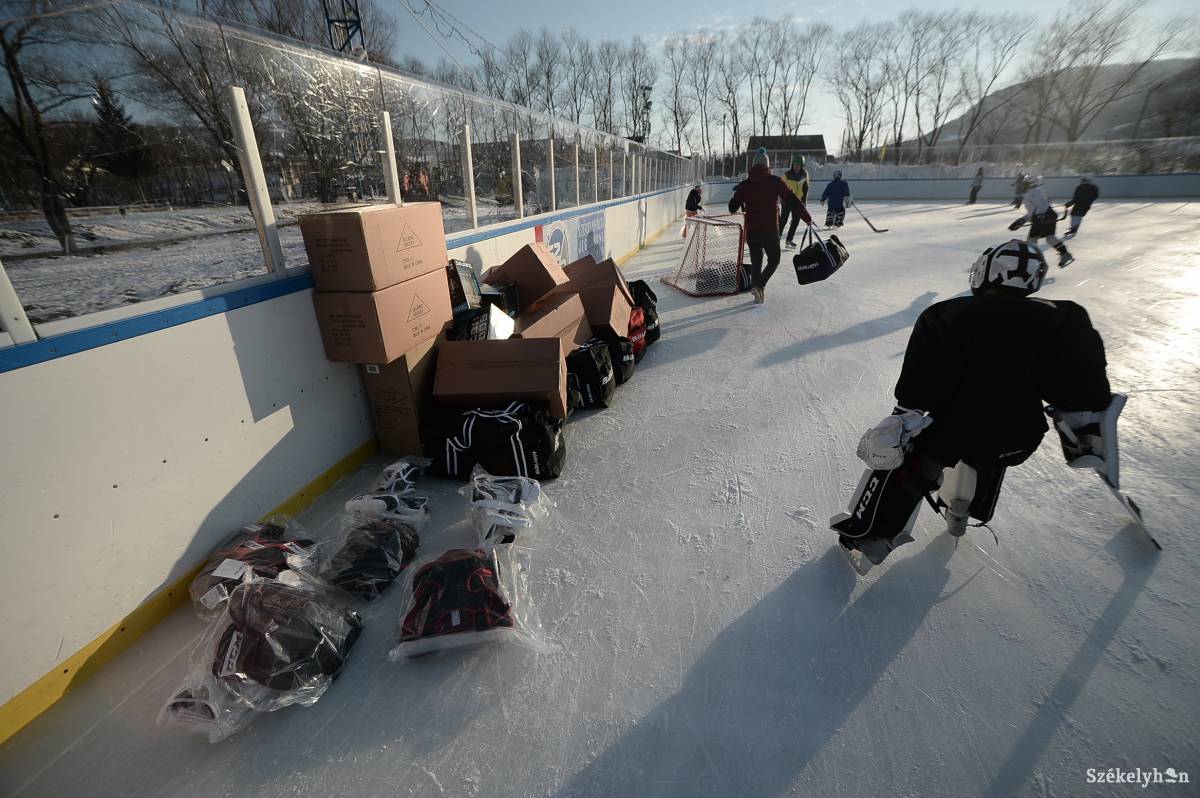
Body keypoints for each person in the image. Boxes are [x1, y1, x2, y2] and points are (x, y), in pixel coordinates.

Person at [830, 239, 1117, 573]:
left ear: (984, 272)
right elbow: (1086, 393)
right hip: (1019, 439)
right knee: (994, 443)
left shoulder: (946, 314)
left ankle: (870, 538)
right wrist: (1084, 434)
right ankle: (964, 510)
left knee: (912, 462)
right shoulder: (1067, 317)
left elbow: (916, 394)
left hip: (952, 433)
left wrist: (904, 420)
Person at [727, 147, 811, 305]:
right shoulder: (776, 182)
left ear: (752, 166)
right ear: (767, 166)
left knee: (757, 262)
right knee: (774, 259)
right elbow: (793, 200)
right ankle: (759, 286)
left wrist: (739, 192)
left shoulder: (745, 184)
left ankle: (757, 289)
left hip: (752, 231)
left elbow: (732, 207)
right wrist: (806, 217)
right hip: (770, 230)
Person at [1008, 175, 1074, 268]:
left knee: (1036, 240)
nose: (1023, 186)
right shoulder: (1030, 193)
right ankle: (1063, 254)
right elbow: (1032, 212)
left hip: (1046, 216)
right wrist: (1020, 221)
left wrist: (1039, 216)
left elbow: (1042, 205)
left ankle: (1033, 262)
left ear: (1031, 184)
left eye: (1025, 184)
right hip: (1044, 216)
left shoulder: (1035, 191)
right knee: (1040, 239)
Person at [780, 155, 810, 248]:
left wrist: (804, 201)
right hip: (787, 201)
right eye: (795, 165)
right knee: (783, 220)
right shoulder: (786, 175)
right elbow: (780, 187)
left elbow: (806, 188)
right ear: (792, 165)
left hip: (798, 202)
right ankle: (776, 239)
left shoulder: (804, 174)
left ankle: (789, 240)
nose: (796, 167)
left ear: (802, 166)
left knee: (795, 221)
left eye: (799, 165)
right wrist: (782, 198)